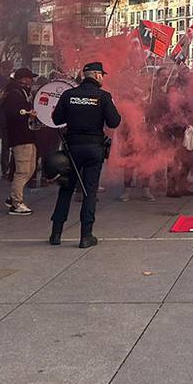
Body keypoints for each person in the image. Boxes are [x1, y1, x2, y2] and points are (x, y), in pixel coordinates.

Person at [50, 61, 122, 248]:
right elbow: (114, 122)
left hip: (72, 148)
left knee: (66, 189)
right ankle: (86, 236)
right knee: (90, 191)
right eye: (102, 75)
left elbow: (56, 119)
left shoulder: (68, 94)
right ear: (97, 75)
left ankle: (56, 234)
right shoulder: (103, 96)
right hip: (93, 148)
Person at [3, 68, 38, 215]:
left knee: (30, 169)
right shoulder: (15, 94)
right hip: (20, 137)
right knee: (23, 171)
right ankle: (16, 203)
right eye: (30, 78)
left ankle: (13, 196)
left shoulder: (22, 93)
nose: (32, 80)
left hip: (27, 136)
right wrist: (28, 114)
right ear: (23, 79)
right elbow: (14, 113)